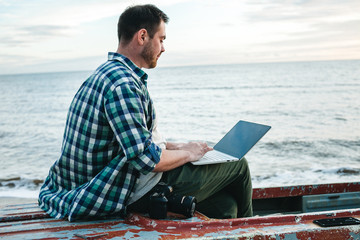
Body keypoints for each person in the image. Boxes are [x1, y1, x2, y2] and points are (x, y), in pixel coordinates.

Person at [38, 4, 253, 221]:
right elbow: (146, 161)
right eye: (161, 39)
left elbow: (130, 141)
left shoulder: (108, 74)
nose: (163, 48)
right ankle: (257, 232)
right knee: (238, 166)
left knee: (226, 206)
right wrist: (190, 154)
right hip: (116, 190)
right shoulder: (123, 85)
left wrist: (178, 146)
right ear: (142, 36)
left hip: (99, 182)